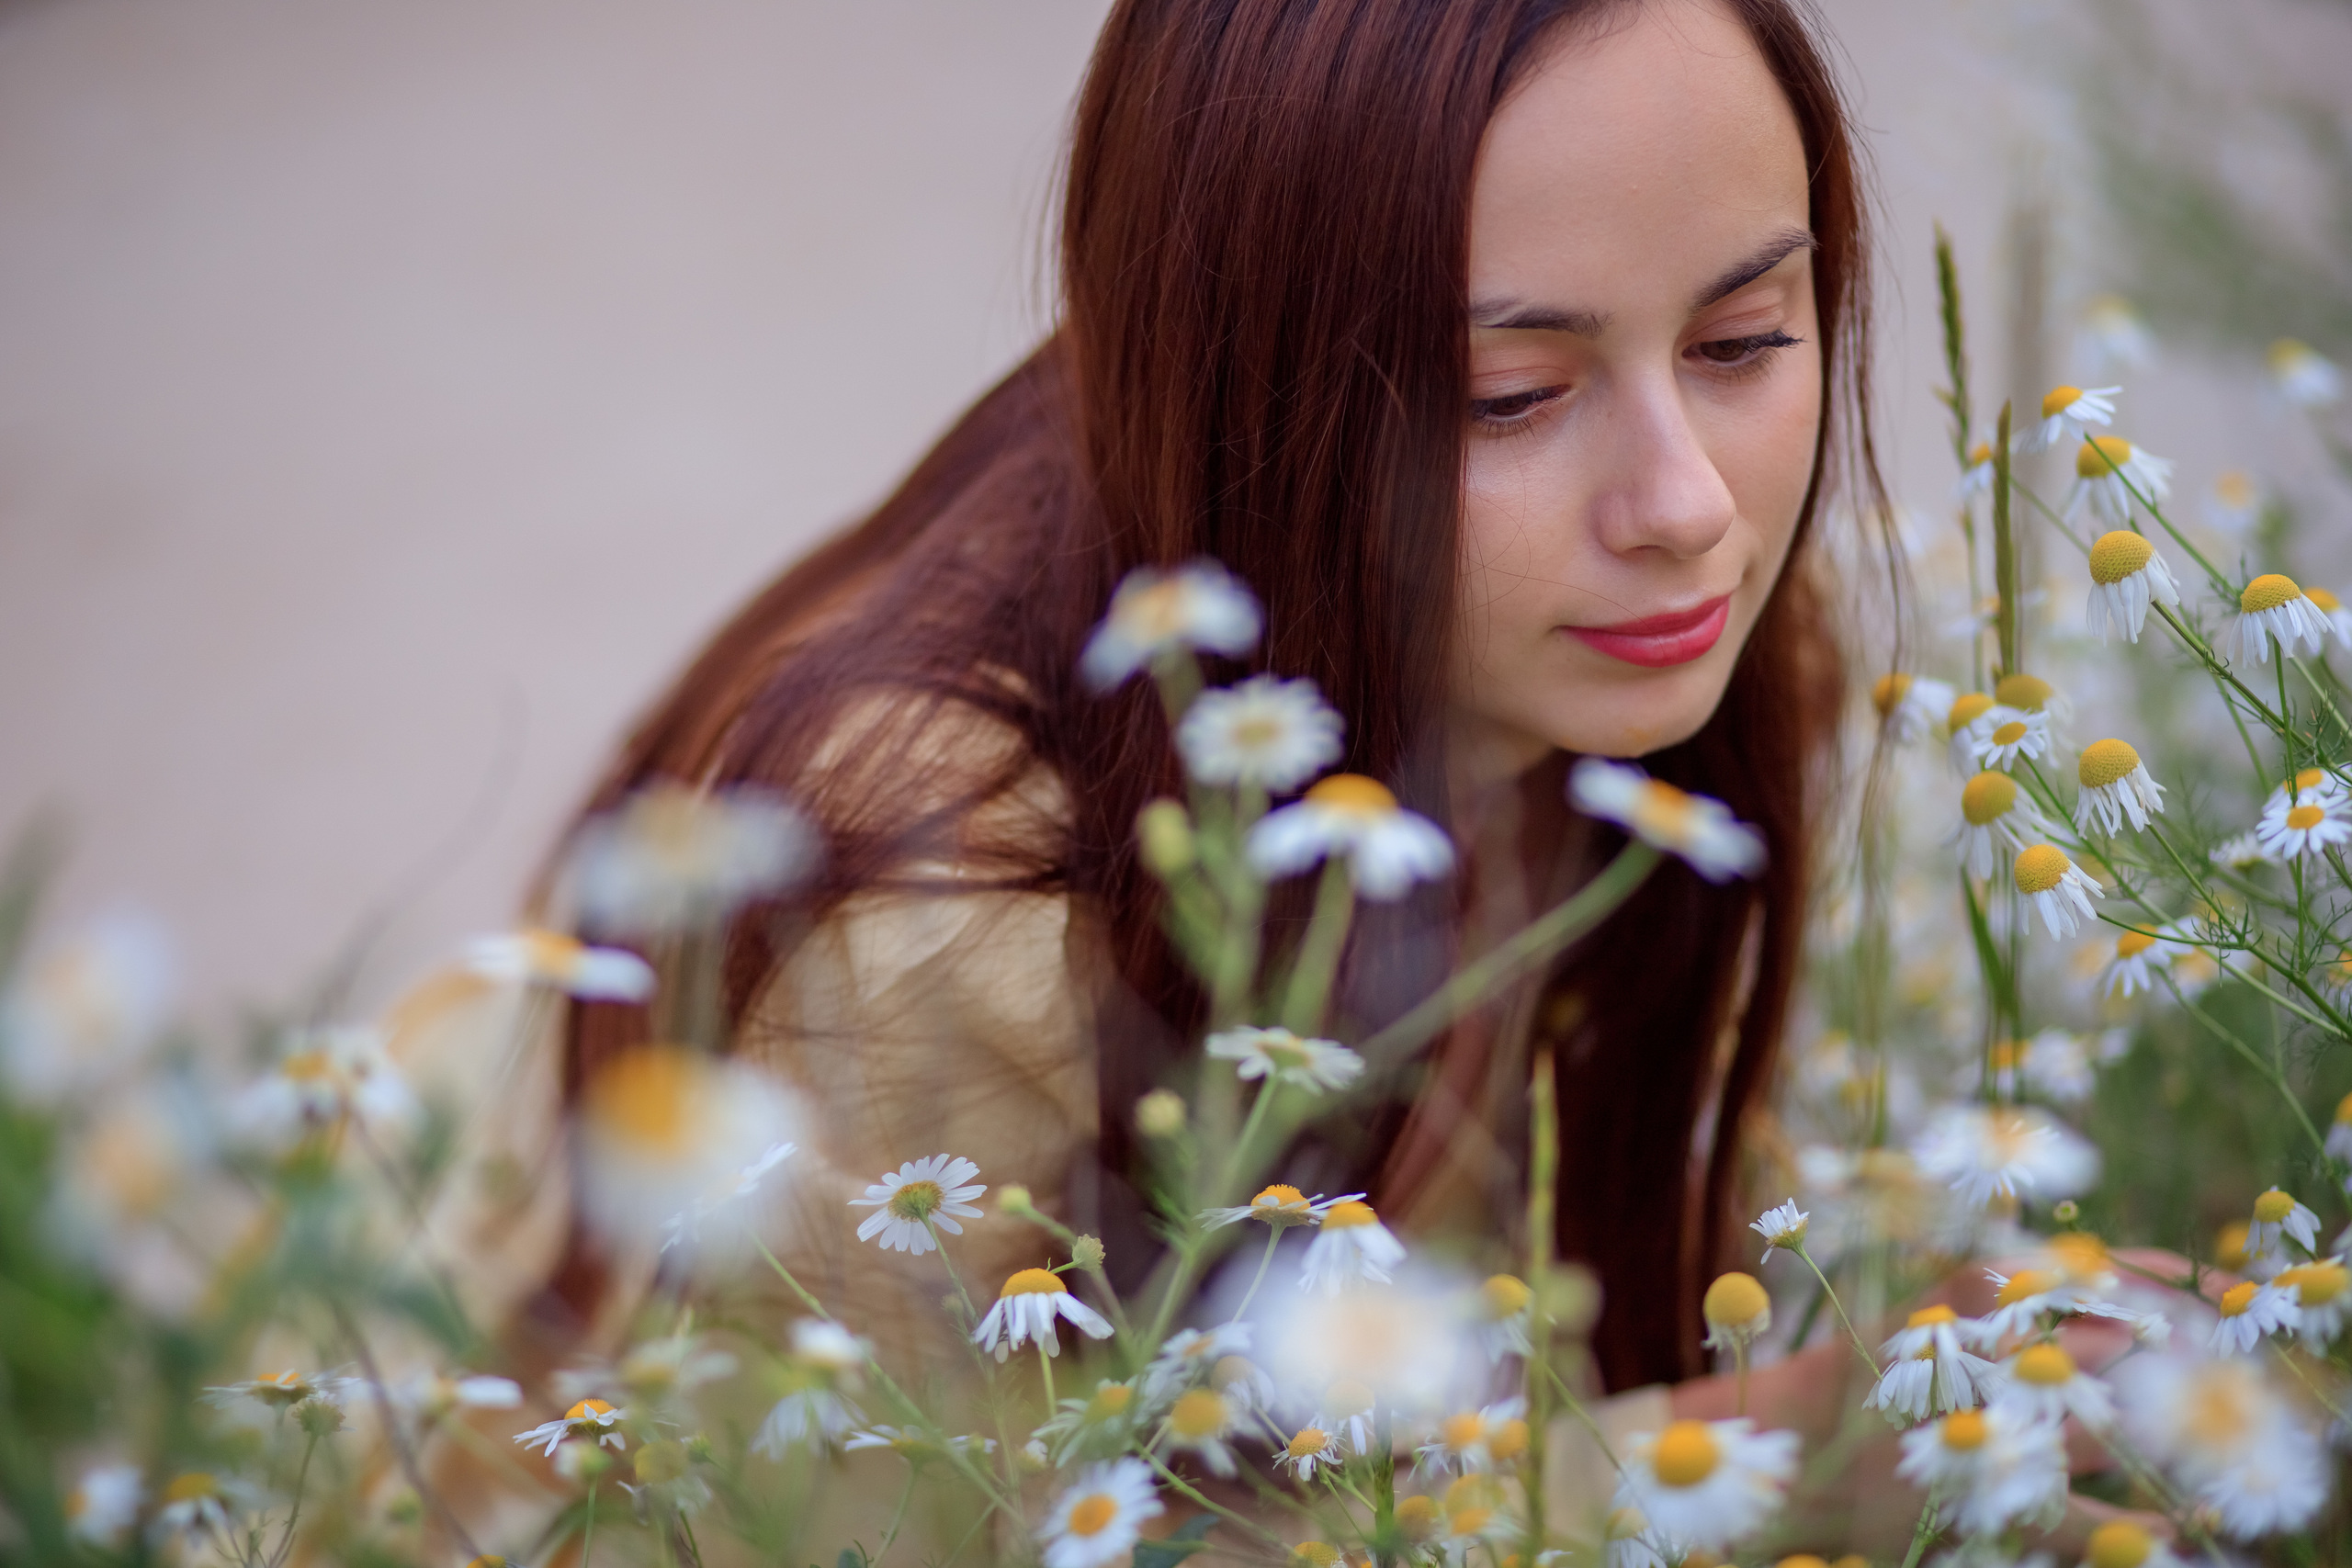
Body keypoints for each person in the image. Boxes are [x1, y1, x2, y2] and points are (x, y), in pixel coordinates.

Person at [440, 0, 2132, 1554]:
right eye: (1512, 393)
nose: (1685, 503)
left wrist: (1958, 1354)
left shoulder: (1662, 648)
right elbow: (915, 1533)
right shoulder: (944, 937)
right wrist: (1727, 1467)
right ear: (1254, 393)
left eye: (1744, 338)